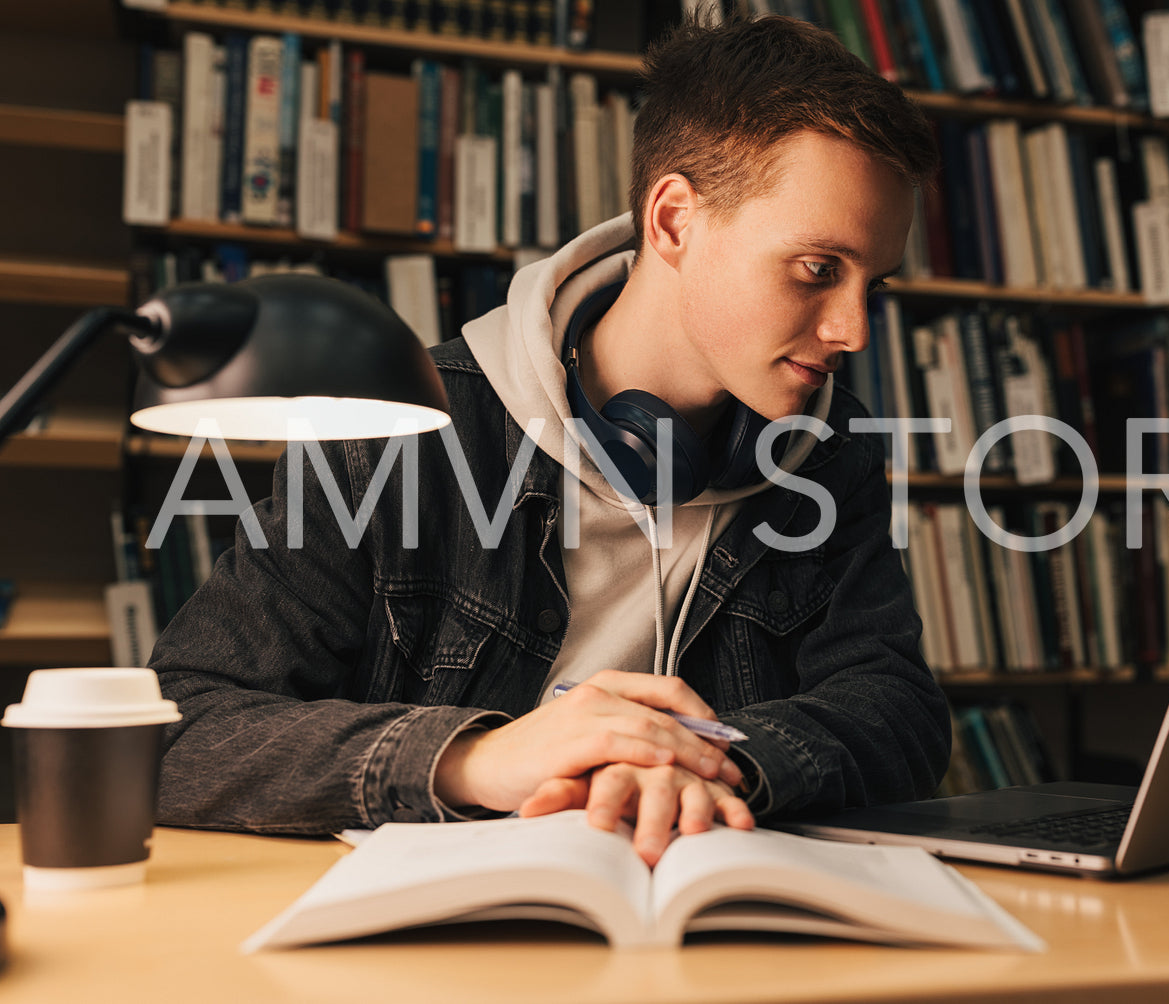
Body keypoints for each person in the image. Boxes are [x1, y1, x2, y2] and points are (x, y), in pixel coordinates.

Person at [149, 13, 949, 866]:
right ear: (674, 220)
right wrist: (473, 758)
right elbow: (176, 727)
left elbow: (896, 711)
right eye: (818, 270)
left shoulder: (833, 449)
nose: (854, 330)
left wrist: (708, 761)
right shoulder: (397, 426)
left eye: (874, 281)